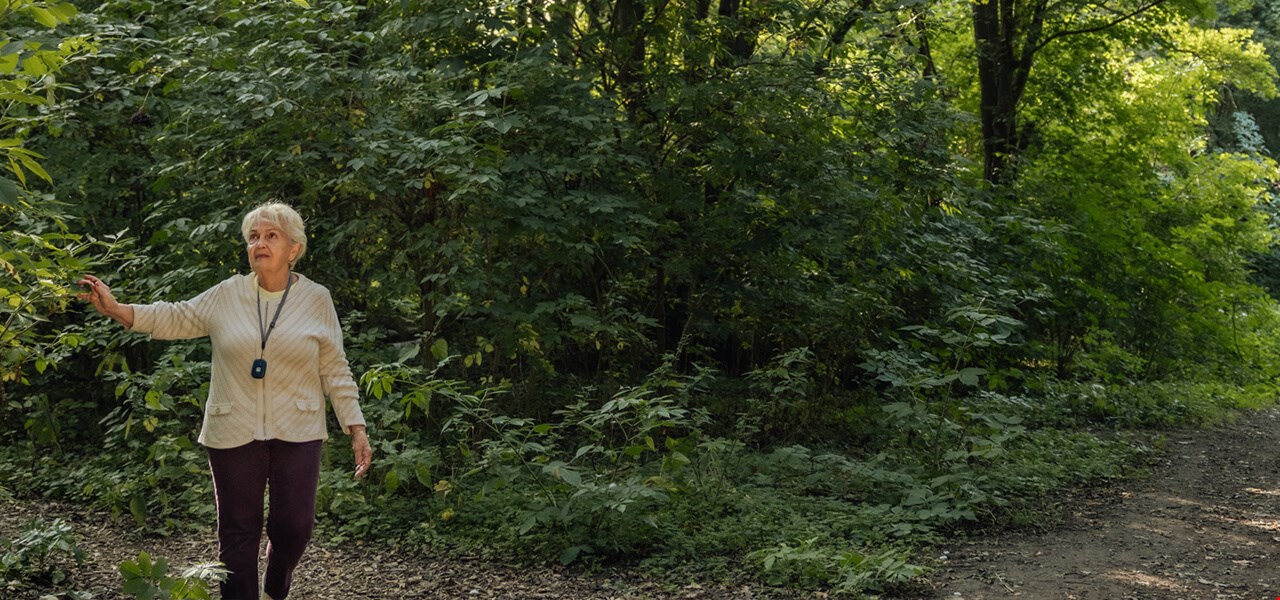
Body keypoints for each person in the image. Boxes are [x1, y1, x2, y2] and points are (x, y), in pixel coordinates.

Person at [78, 201, 373, 600]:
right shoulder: (228, 294)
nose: (260, 243)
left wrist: (356, 427)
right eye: (254, 236)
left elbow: (335, 367)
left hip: (298, 428)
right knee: (237, 531)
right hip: (232, 427)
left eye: (271, 236)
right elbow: (175, 317)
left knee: (295, 528)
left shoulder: (317, 299)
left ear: (294, 249)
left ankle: (275, 588)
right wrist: (116, 309)